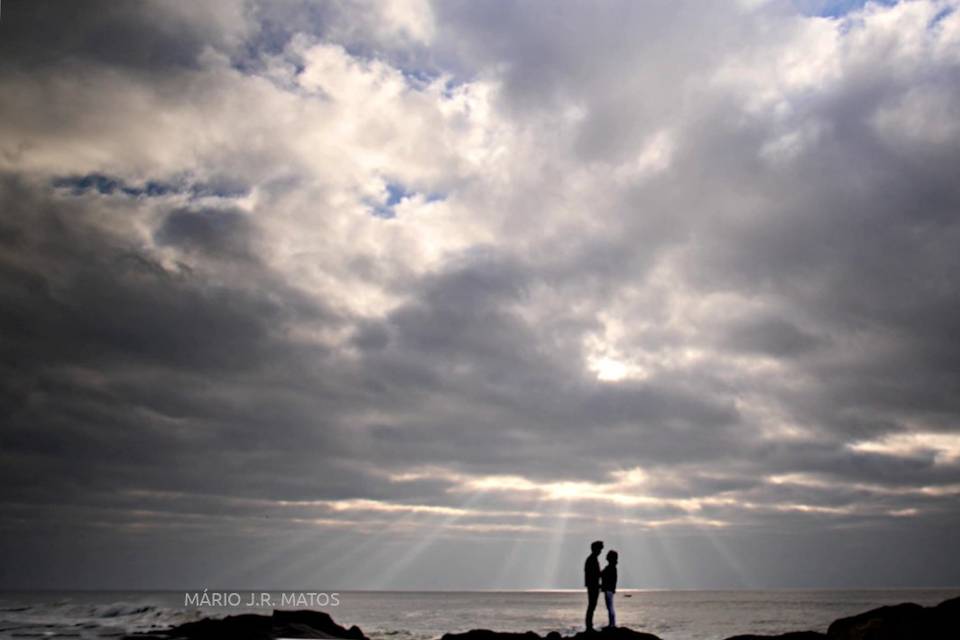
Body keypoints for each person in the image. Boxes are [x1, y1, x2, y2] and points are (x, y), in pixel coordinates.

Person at [584, 540, 603, 631]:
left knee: (592, 605)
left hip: (593, 585)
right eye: (600, 549)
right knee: (592, 605)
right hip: (593, 586)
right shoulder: (591, 560)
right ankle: (589, 626)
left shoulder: (592, 559)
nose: (600, 551)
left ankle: (589, 625)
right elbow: (593, 574)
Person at [600, 550, 618, 629]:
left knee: (610, 607)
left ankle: (612, 624)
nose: (606, 556)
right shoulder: (612, 567)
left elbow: (603, 575)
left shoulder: (611, 567)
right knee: (610, 607)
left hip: (608, 589)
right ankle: (612, 623)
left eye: (608, 555)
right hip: (609, 589)